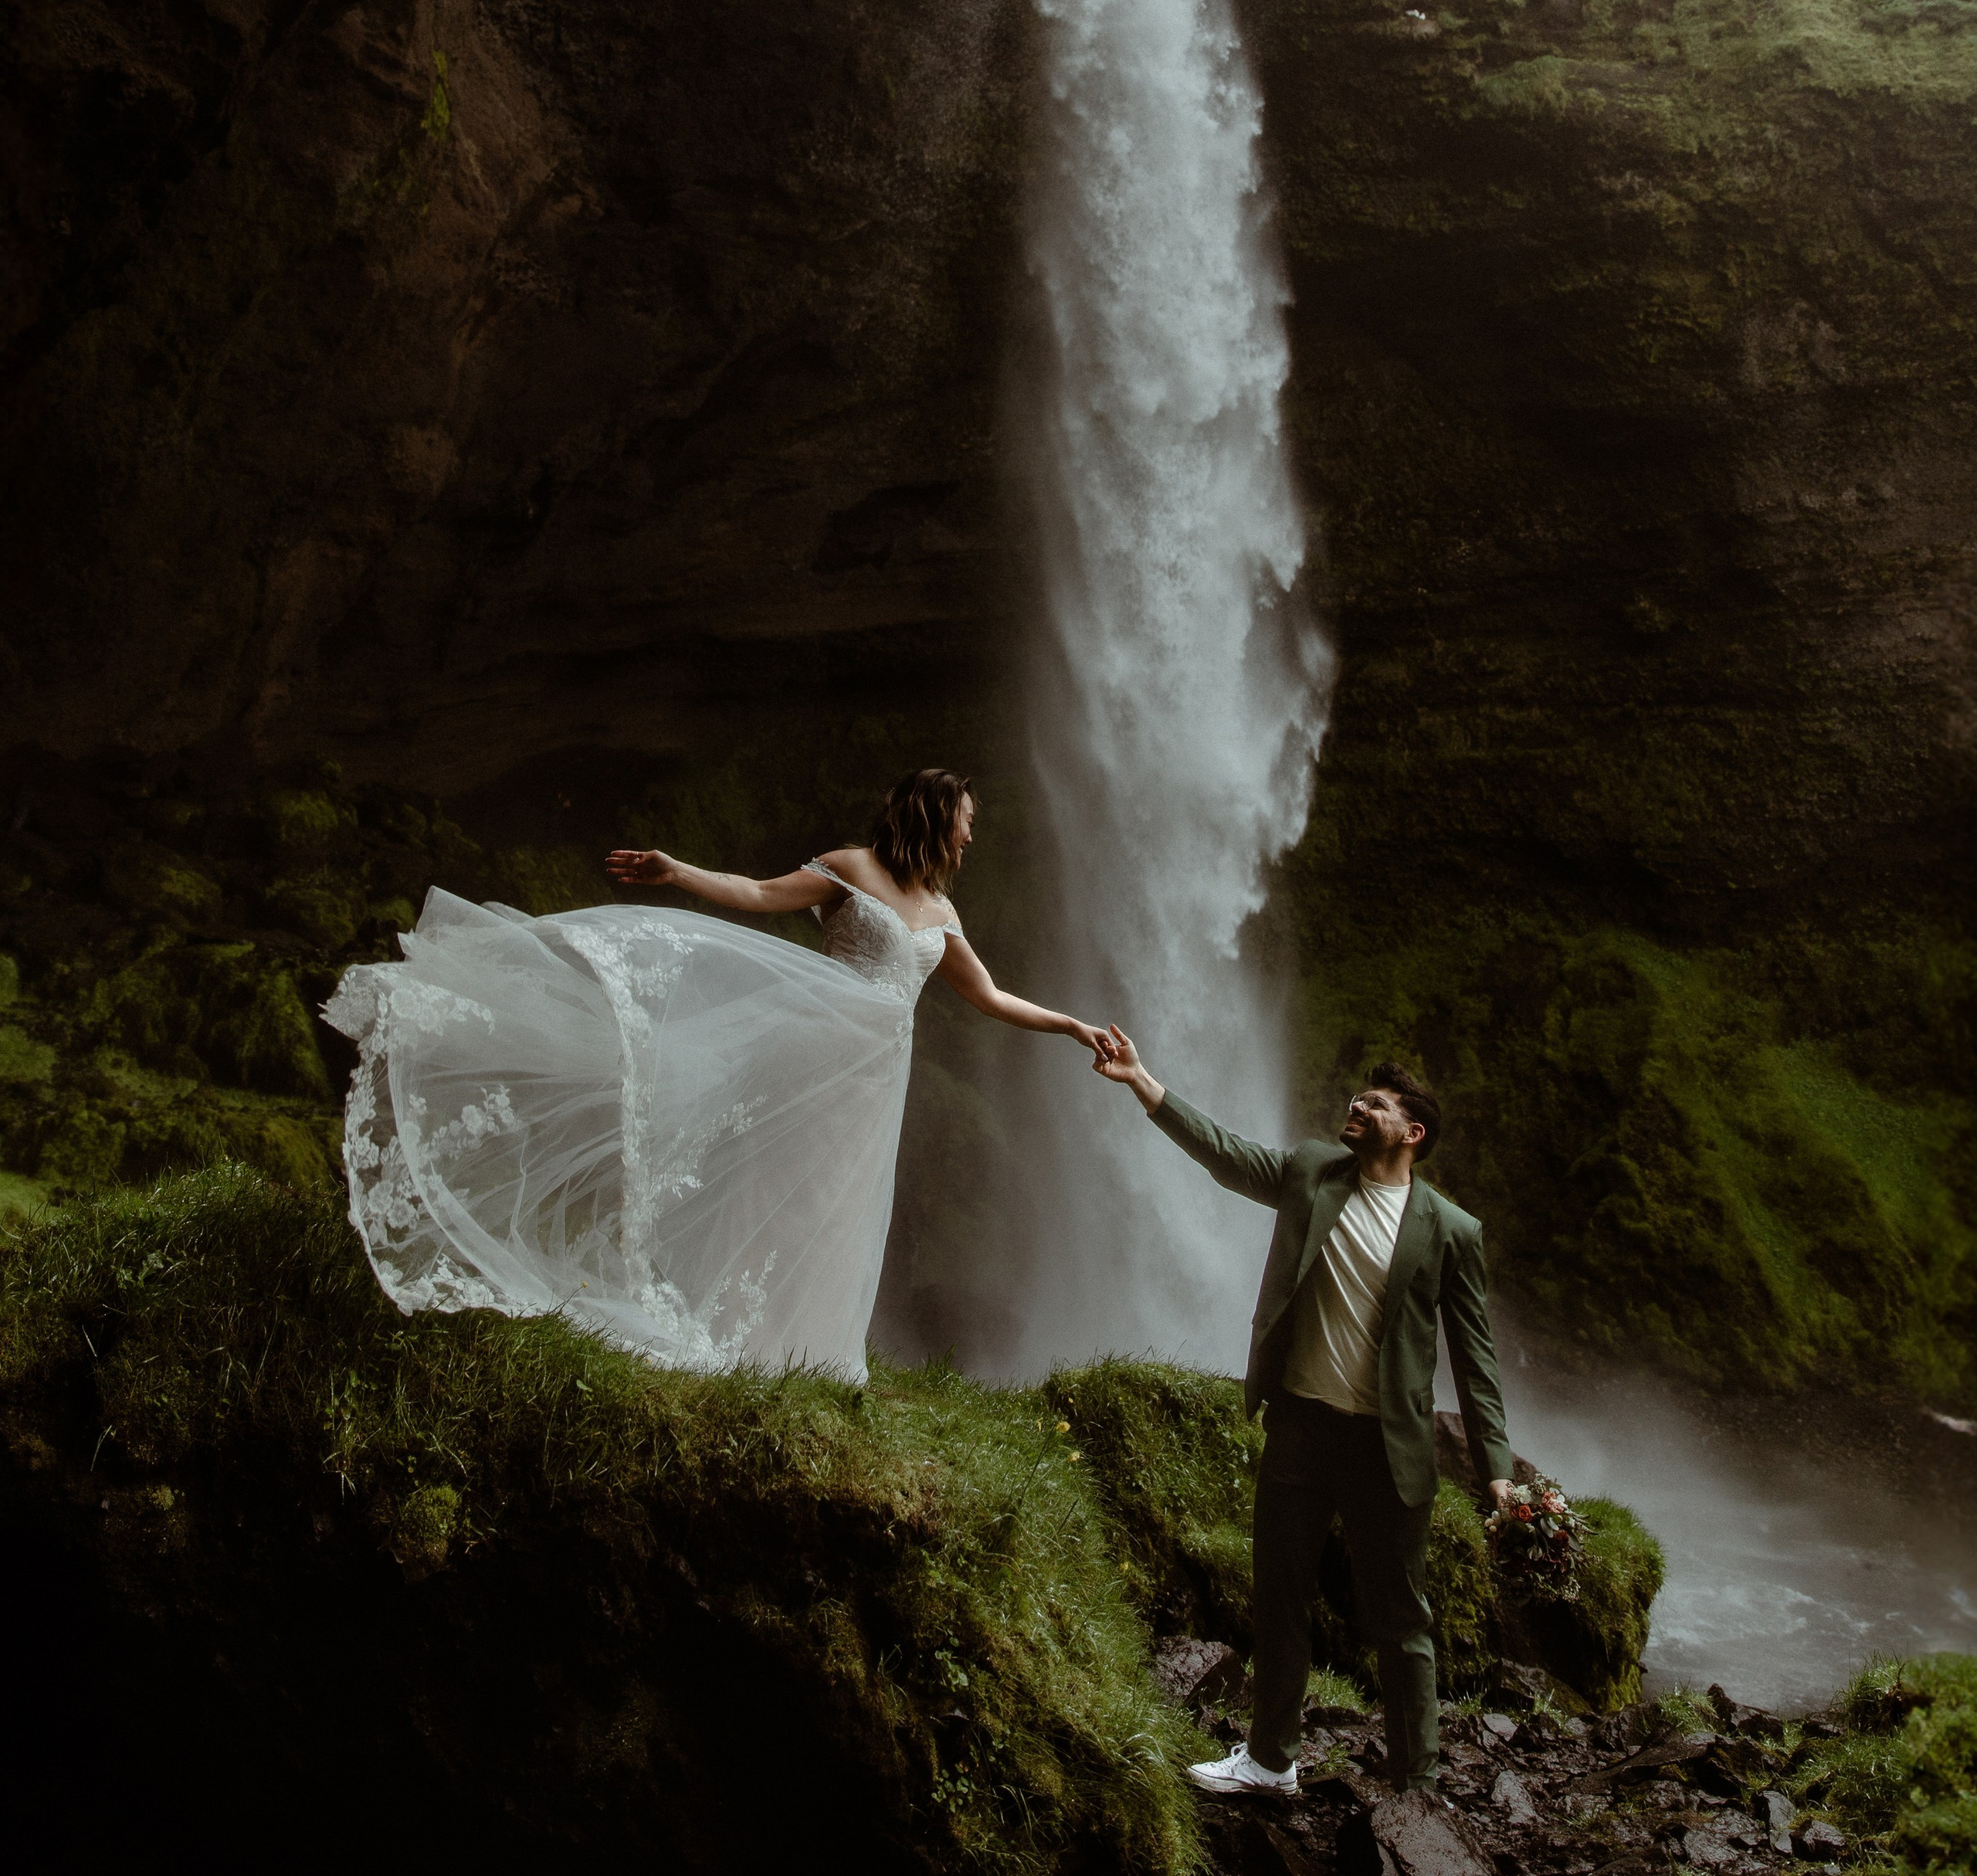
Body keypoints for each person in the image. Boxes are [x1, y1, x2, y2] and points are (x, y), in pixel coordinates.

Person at [326, 768, 1107, 1382]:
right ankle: (708, 1318)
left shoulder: (943, 914)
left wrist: (1070, 1025)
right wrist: (677, 872)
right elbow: (761, 894)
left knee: (829, 1200)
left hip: (870, 1080)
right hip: (808, 1042)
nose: (969, 843)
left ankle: (793, 1351)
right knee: (762, 1177)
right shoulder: (851, 868)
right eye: (966, 827)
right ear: (936, 817)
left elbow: (988, 994)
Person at [1092, 1030, 1514, 1798]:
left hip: (1386, 1445)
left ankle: (1416, 1784)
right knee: (1280, 1591)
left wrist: (1498, 1474)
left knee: (1400, 1617)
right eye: (1358, 1098)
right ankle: (1271, 1759)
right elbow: (1227, 1155)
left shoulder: (1451, 1232)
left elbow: (1474, 1358)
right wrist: (1141, 1082)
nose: (1357, 1106)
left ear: (1411, 1133)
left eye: (1376, 1105)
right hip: (1300, 1426)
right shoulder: (1313, 1173)